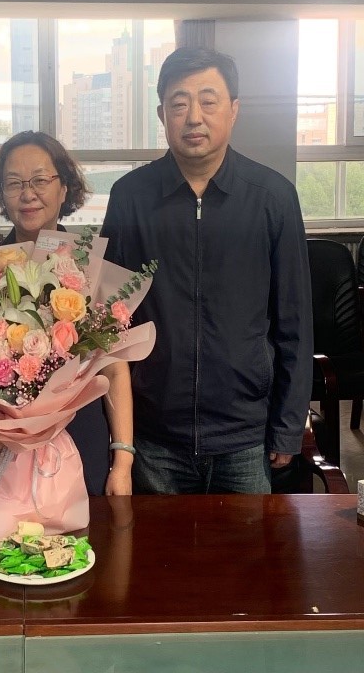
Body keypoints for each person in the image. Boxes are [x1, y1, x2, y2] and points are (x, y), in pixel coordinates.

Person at [100, 47, 313, 494]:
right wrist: (122, 441)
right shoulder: (130, 197)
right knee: (154, 544)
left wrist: (288, 424)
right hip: (155, 434)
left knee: (247, 543)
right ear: (162, 114)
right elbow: (110, 319)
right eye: (179, 103)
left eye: (208, 101)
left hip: (245, 435)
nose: (193, 117)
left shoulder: (272, 197)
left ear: (233, 110)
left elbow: (294, 322)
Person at [0, 130, 134, 496]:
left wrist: (123, 462)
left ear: (64, 188)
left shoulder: (91, 267)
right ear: (0, 195)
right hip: (1, 444)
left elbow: (115, 369)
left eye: (40, 180)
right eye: (14, 183)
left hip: (80, 437)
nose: (28, 194)